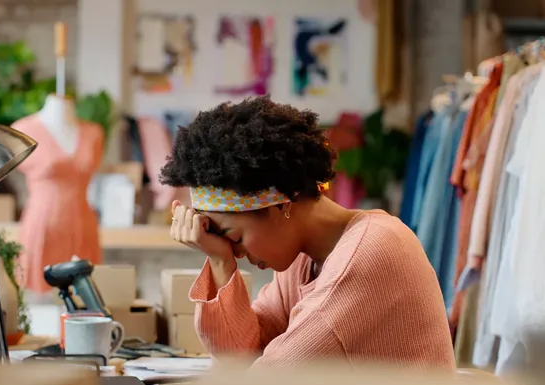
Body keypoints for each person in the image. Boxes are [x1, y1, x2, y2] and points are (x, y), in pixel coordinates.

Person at [161, 96, 455, 370]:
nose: (237, 252)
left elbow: (270, 381)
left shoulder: (371, 250)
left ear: (282, 204)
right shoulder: (304, 260)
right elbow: (243, 356)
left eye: (234, 238)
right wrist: (219, 260)